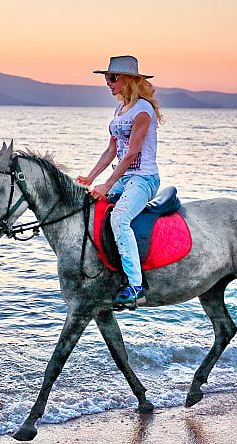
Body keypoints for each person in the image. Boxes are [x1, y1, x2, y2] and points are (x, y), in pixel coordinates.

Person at [77, 55, 164, 311]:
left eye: (112, 78)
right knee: (91, 206)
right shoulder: (120, 110)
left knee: (119, 218)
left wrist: (107, 184)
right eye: (106, 78)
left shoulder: (143, 110)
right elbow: (112, 150)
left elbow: (132, 154)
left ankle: (136, 287)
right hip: (124, 178)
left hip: (143, 178)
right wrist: (91, 178)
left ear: (128, 79)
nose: (108, 83)